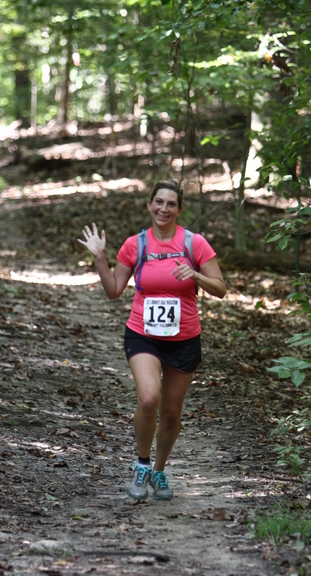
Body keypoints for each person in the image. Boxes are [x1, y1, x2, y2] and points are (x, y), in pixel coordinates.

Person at [78, 180, 226, 500]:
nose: (163, 209)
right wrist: (100, 258)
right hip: (143, 335)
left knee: (171, 413)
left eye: (171, 204)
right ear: (149, 205)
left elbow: (221, 288)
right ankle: (142, 464)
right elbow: (113, 290)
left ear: (179, 209)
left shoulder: (195, 243)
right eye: (158, 202)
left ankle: (159, 470)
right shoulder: (135, 245)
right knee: (148, 399)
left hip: (184, 338)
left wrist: (195, 275)